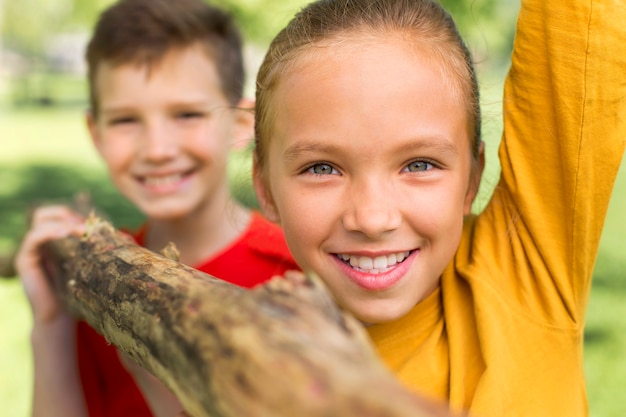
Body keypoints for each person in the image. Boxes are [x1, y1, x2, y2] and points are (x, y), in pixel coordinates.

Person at [250, 0, 625, 416]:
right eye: (322, 168)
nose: (373, 219)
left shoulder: (525, 270)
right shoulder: (235, 369)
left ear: (471, 178)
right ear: (265, 186)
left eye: (419, 164)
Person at [14, 0, 298, 416]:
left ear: (240, 125)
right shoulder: (98, 277)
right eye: (126, 120)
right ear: (96, 133)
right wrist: (52, 323)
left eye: (186, 114)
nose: (158, 149)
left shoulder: (295, 275)